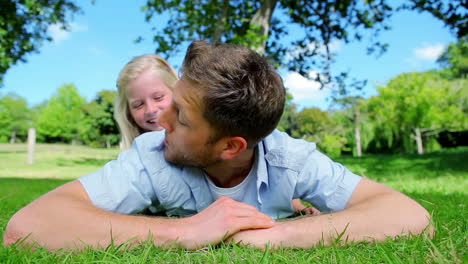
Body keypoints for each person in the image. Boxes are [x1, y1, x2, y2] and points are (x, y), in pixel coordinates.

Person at [4, 40, 431, 251]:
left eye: (181, 117)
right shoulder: (152, 155)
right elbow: (27, 227)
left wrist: (276, 236)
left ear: (231, 146)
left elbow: (411, 216)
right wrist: (187, 231)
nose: (160, 119)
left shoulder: (291, 159)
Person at [114, 53, 316, 214]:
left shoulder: (204, 140)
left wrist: (294, 203)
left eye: (159, 97)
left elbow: (267, 173)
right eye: (138, 104)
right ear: (128, 112)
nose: (151, 110)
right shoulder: (139, 154)